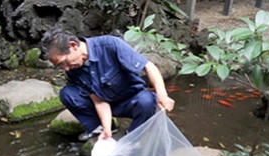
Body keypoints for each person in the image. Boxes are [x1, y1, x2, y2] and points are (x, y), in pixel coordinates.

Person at [40, 28, 175, 141]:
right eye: (60, 66)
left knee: (147, 100)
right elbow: (98, 100)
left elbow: (149, 67)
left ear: (73, 46)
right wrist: (106, 129)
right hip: (110, 104)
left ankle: (134, 136)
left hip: (132, 100)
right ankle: (102, 129)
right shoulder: (74, 70)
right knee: (67, 94)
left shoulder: (110, 45)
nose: (66, 69)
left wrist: (162, 95)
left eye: (64, 62)